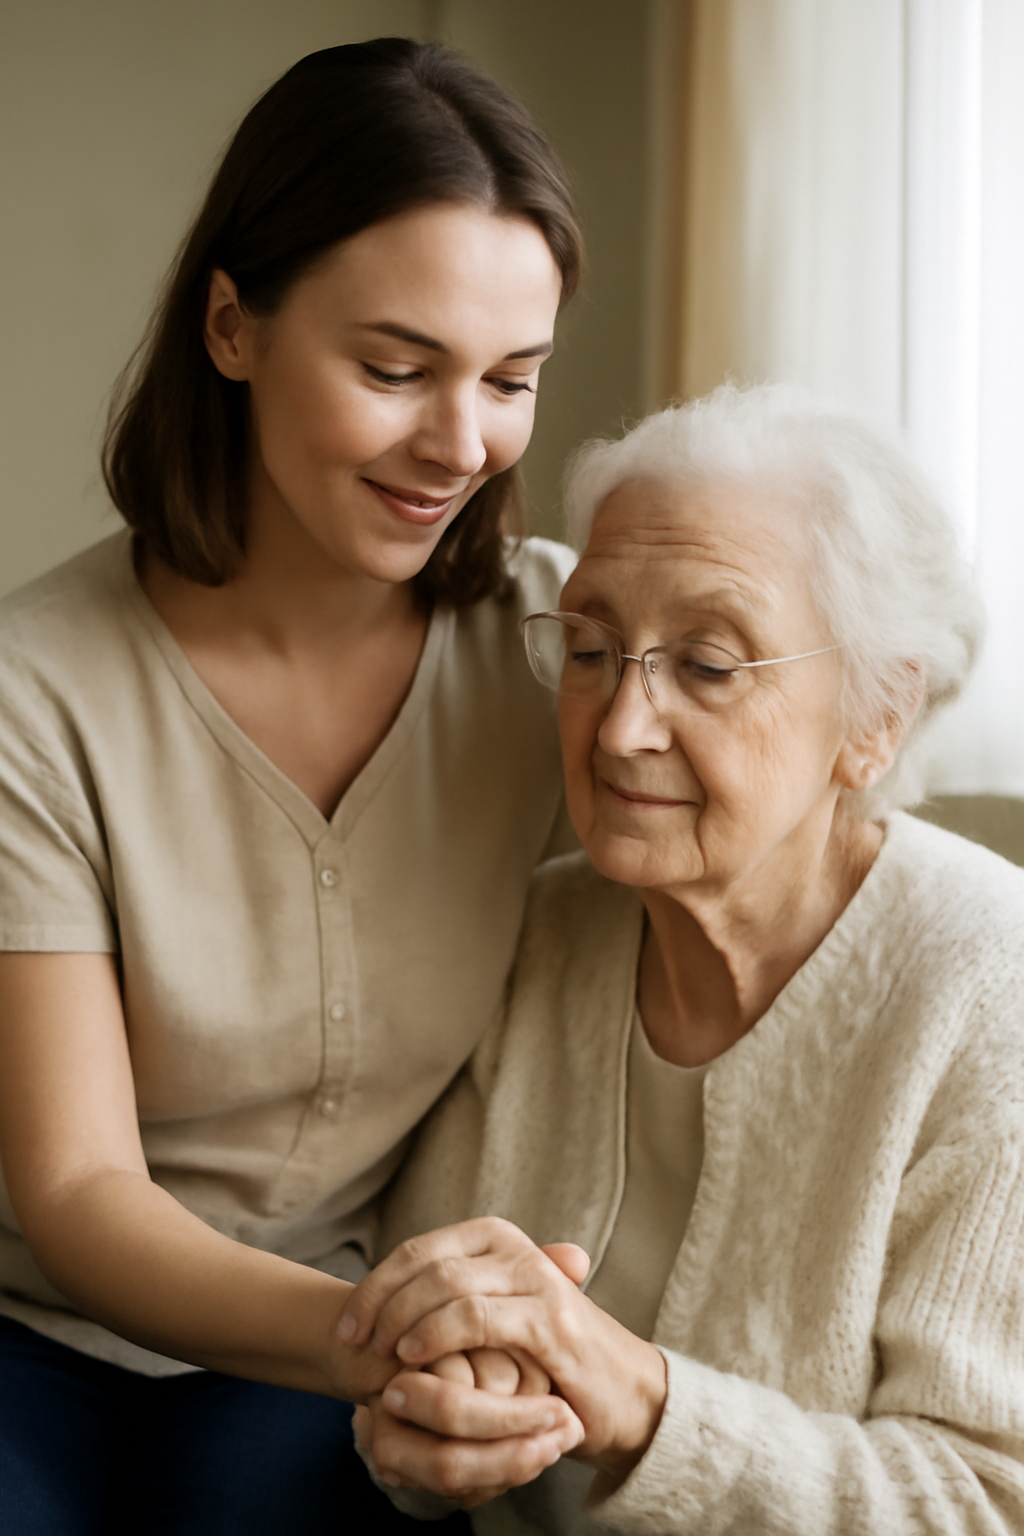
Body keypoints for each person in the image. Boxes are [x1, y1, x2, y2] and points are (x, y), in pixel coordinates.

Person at [0, 38, 586, 1535]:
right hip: (40, 1326)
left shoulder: (561, 651)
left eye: (510, 382)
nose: (460, 445)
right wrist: (405, 1339)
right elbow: (74, 1195)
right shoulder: (34, 693)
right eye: (395, 369)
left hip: (314, 1347)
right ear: (232, 325)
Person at [345, 383, 1024, 1534]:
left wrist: (645, 1407)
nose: (618, 727)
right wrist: (427, 1423)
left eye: (708, 665)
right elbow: (414, 1344)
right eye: (594, 648)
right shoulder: (539, 935)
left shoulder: (990, 988)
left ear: (879, 716)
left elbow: (982, 1500)